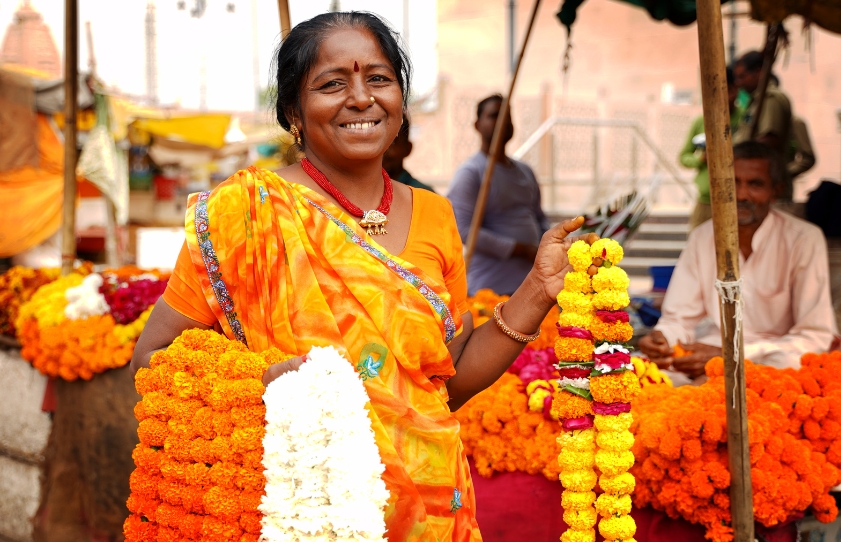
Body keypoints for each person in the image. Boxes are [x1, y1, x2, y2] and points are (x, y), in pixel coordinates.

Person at [130, 12, 597, 541]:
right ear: (294, 112)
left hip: (431, 509)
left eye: (379, 78)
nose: (360, 98)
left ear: (401, 102)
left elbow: (448, 381)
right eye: (332, 84)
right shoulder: (244, 211)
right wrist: (256, 387)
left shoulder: (436, 215)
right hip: (300, 508)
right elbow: (151, 359)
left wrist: (537, 290)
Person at [639, 141, 836, 377]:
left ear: (776, 190)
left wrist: (734, 356)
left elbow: (814, 335)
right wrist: (662, 339)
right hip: (710, 355)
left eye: (755, 184)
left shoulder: (804, 239)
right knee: (638, 375)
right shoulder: (703, 237)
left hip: (774, 357)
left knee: (793, 364)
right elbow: (678, 320)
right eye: (732, 183)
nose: (741, 195)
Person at [447, 94, 550, 295]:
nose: (503, 121)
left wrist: (546, 245)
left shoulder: (525, 171)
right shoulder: (471, 172)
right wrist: (520, 249)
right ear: (477, 125)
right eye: (494, 115)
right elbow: (464, 230)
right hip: (490, 288)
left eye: (507, 116)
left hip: (531, 285)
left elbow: (539, 217)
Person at [679, 66, 744, 230]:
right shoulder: (700, 121)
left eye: (727, 90)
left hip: (737, 200)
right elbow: (683, 157)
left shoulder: (744, 119)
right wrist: (700, 159)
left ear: (736, 90)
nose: (722, 97)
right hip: (706, 199)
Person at [733, 51, 794, 157]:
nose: (739, 83)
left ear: (759, 72)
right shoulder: (755, 100)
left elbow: (769, 140)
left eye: (742, 76)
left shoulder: (770, 98)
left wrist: (740, 153)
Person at [381, 113, 434, 191]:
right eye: (380, 142)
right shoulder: (362, 194)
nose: (384, 149)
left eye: (392, 142)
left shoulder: (425, 196)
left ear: (408, 148)